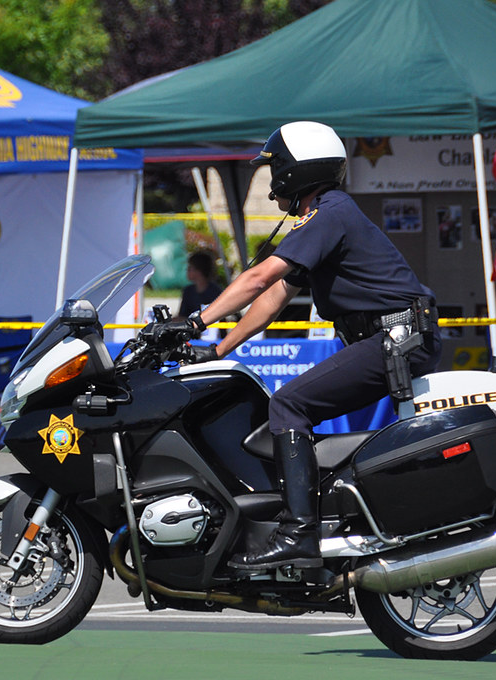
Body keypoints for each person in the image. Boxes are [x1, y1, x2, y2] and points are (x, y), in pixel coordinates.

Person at [151, 121, 441, 570]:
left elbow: (259, 277)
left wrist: (193, 321)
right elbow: (273, 297)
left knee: (288, 406)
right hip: (393, 337)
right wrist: (218, 349)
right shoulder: (327, 217)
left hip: (397, 337)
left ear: (295, 172)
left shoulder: (331, 214)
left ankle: (299, 534)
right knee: (285, 403)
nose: (270, 185)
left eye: (274, 172)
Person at [177, 251, 223, 318]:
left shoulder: (215, 291)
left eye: (190, 268)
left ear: (199, 271)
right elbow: (183, 315)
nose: (187, 270)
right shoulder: (188, 291)